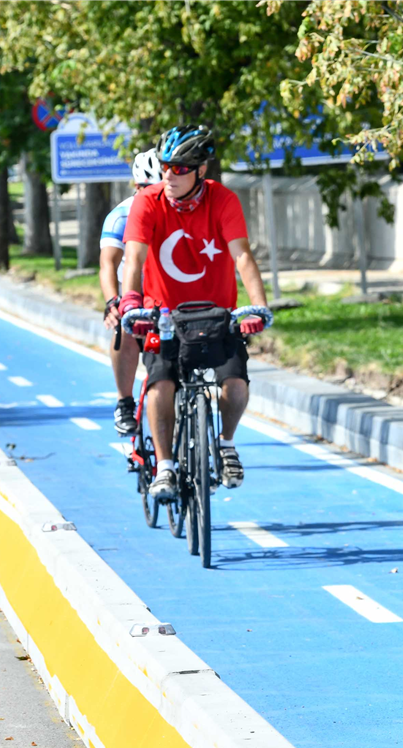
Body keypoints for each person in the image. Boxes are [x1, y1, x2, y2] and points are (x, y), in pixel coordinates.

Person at [117, 125, 269, 500]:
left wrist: (258, 305)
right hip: (164, 315)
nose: (169, 175)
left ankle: (227, 445)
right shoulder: (148, 201)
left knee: (236, 384)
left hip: (218, 315)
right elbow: (134, 258)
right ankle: (165, 467)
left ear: (201, 170)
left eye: (180, 168)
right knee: (160, 384)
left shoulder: (223, 199)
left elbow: (242, 255)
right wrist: (130, 301)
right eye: (166, 166)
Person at [100, 149, 163, 434]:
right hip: (134, 292)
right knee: (124, 328)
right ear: (137, 187)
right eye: (148, 190)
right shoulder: (121, 216)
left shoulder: (178, 212)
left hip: (168, 292)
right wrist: (112, 300)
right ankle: (124, 401)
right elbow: (108, 264)